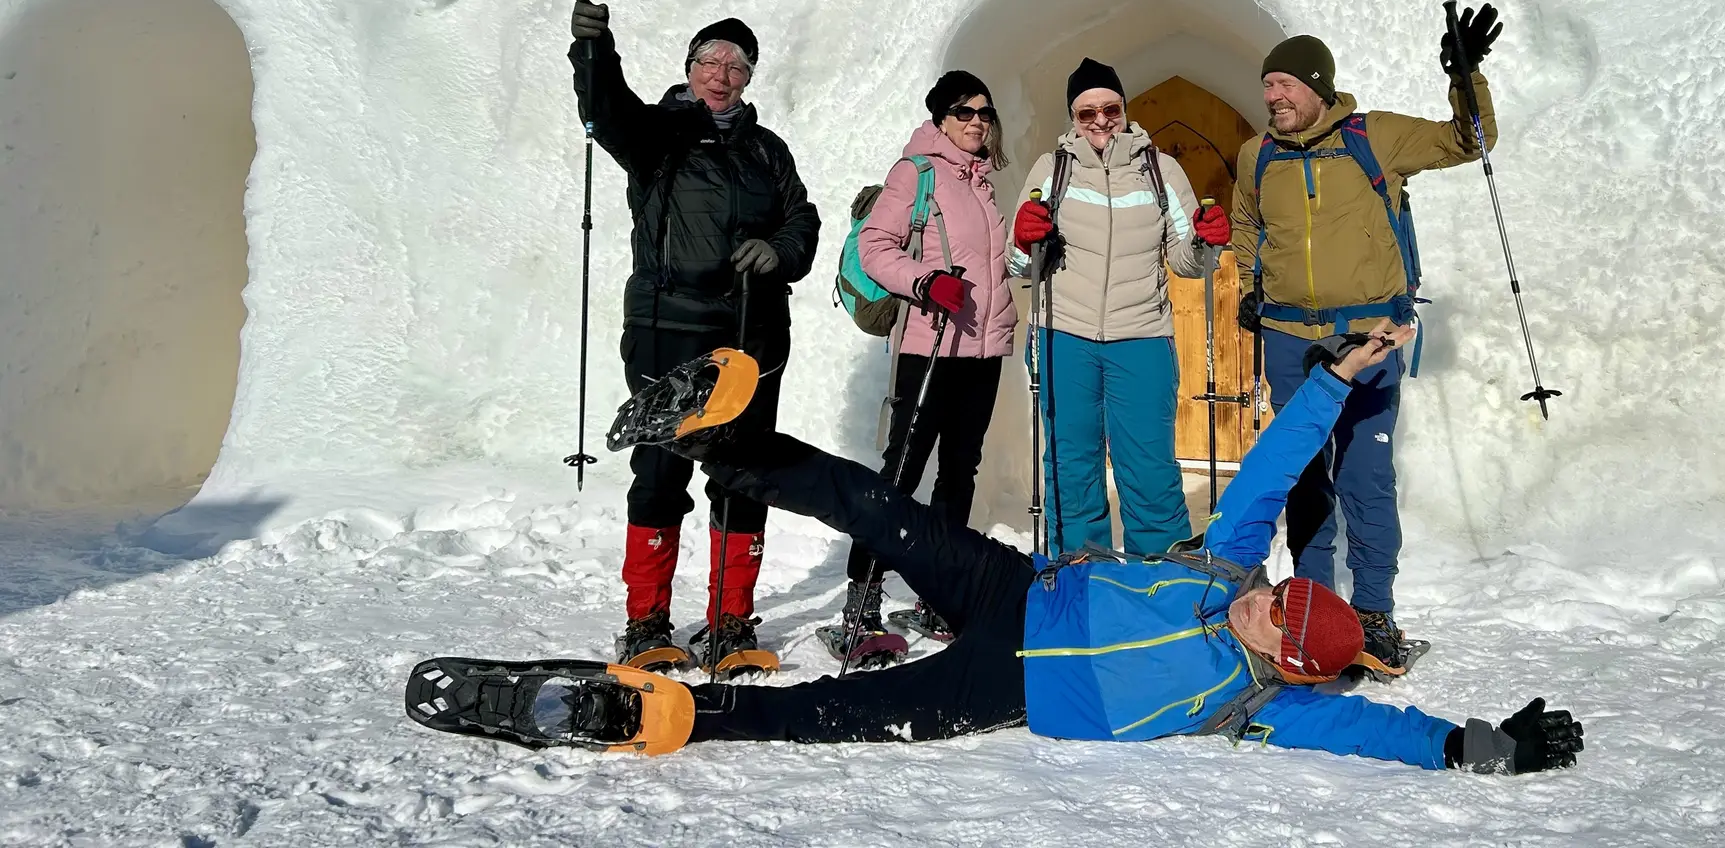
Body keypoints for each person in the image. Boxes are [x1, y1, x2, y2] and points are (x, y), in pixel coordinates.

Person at [420, 324, 1581, 775]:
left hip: (1006, 683)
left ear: (1289, 661)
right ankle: (734, 436)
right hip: (1014, 588)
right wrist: (1331, 381)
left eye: (1280, 620)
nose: (1263, 603)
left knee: (839, 716)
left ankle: (663, 717)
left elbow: (1378, 730)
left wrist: (1481, 746)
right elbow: (1272, 474)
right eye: (1277, 593)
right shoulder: (1227, 567)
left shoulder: (1258, 705)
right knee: (880, 510)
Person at [1230, 7, 1502, 673]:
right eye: (1266, 85)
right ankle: (1313, 608)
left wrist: (1465, 77)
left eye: (1285, 84)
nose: (1272, 97)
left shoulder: (1373, 137)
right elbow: (1245, 219)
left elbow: (1470, 142)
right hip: (1291, 339)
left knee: (1366, 476)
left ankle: (1375, 611)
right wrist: (1250, 284)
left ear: (1318, 86)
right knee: (1304, 479)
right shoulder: (1256, 154)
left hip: (1371, 335)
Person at [570, 0, 821, 673]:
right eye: (711, 60)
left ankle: (729, 626)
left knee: (741, 474)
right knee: (660, 469)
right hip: (667, 325)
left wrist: (779, 251)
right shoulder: (655, 136)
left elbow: (802, 218)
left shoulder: (768, 150)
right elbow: (605, 109)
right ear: (689, 67)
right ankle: (647, 624)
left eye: (738, 66)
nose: (722, 74)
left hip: (751, 333)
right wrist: (594, 47)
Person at [1008, 57, 1232, 556]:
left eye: (1110, 108)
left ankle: (1159, 581)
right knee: (1071, 467)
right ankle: (1078, 577)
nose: (1100, 121)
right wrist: (1025, 239)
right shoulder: (1053, 169)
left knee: (1149, 467)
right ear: (1073, 118)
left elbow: (1186, 260)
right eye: (1086, 113)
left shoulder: (1160, 170)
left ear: (1125, 109)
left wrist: (1204, 242)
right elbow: (1019, 265)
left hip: (1142, 337)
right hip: (1063, 335)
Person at [826, 70, 1016, 655]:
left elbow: (991, 265)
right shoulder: (917, 173)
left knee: (961, 472)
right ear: (940, 119)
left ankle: (942, 595)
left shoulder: (982, 180)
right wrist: (926, 282)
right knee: (903, 470)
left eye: (985, 111)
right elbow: (874, 247)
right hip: (929, 345)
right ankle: (863, 599)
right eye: (964, 112)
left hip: (982, 349)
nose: (977, 121)